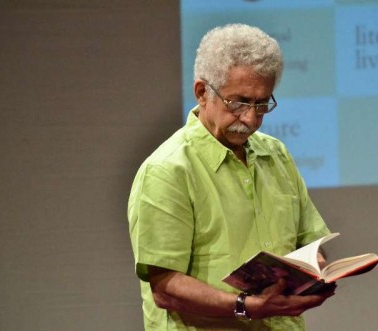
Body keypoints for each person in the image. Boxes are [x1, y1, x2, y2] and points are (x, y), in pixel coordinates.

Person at [127, 23, 335, 330]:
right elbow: (165, 288)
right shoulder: (167, 171)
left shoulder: (275, 156)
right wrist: (247, 307)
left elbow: (310, 241)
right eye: (239, 102)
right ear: (202, 92)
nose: (251, 119)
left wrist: (316, 271)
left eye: (262, 104)